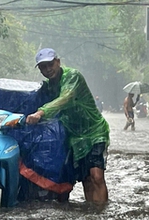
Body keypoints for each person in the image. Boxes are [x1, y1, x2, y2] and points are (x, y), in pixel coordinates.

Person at [26, 48, 110, 205]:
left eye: (50, 65)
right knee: (86, 179)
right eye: (43, 67)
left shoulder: (72, 76)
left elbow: (65, 98)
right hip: (75, 137)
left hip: (94, 132)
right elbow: (30, 97)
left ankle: (102, 213)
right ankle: (92, 212)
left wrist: (40, 113)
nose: (47, 70)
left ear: (58, 62)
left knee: (97, 176)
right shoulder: (49, 86)